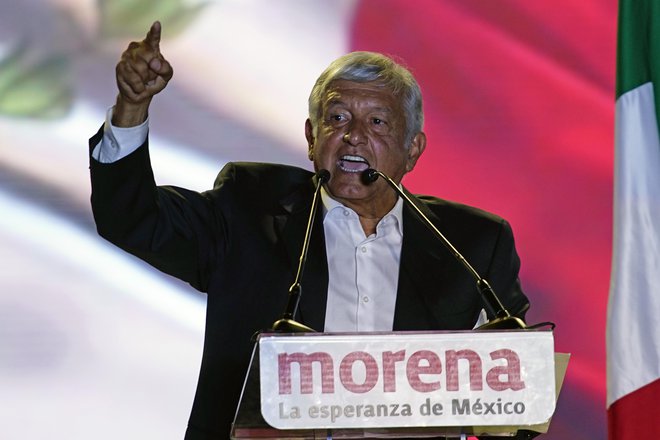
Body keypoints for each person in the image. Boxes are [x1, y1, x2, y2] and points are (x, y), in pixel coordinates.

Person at [89, 22, 530, 439]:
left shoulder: (471, 243)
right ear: (311, 137)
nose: (354, 136)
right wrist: (132, 108)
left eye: (377, 122)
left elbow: (514, 389)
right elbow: (132, 219)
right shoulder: (249, 207)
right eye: (337, 119)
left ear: (412, 149)